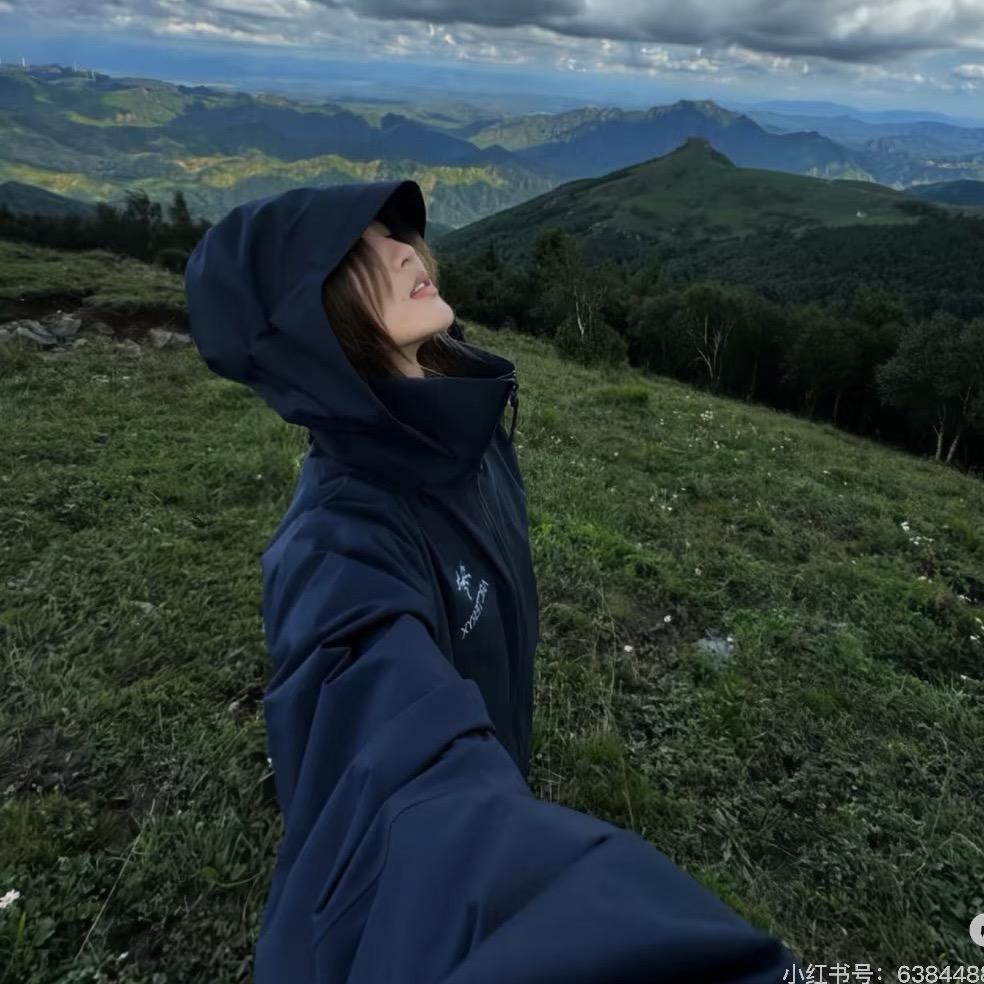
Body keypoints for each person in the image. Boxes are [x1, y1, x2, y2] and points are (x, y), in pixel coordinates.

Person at [184, 179, 800, 983]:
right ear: (305, 325)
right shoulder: (336, 553)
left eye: (393, 232)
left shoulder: (462, 426)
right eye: (354, 253)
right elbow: (404, 799)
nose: (404, 249)